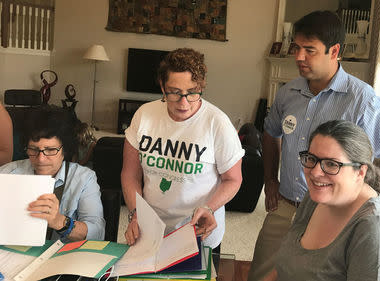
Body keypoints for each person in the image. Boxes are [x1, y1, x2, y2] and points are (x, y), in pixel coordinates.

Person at [248, 10, 380, 281]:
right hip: (286, 208)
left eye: (310, 50)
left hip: (336, 215)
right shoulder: (287, 93)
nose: (298, 57)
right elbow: (271, 133)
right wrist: (270, 179)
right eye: (296, 48)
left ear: (334, 52)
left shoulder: (363, 101)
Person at [263, 120, 380, 281]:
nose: (315, 172)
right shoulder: (317, 198)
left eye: (331, 164)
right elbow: (285, 267)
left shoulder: (378, 234)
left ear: (360, 172)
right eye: (311, 159)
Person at [121, 48, 244, 252]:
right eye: (175, 93)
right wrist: (136, 214)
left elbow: (233, 179)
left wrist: (209, 208)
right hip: (151, 228)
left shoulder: (217, 123)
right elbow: (130, 174)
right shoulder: (144, 115)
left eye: (192, 92)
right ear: (162, 87)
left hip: (197, 231)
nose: (184, 103)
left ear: (201, 86)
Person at [0, 106, 105, 241]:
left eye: (50, 150)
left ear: (65, 149)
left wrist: (60, 221)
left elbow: (97, 234)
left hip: (65, 257)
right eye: (33, 149)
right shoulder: (7, 173)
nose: (41, 159)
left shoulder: (84, 179)